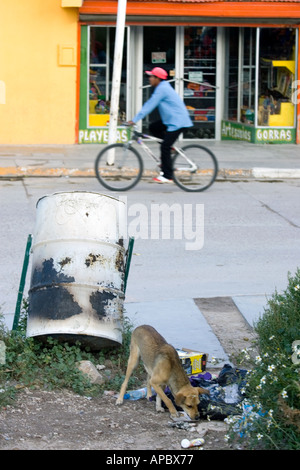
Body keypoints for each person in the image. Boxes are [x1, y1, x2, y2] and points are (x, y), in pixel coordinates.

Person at [127, 67, 193, 183]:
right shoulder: (162, 87)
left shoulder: (162, 89)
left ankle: (168, 176)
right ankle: (170, 148)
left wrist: (134, 120)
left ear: (158, 78)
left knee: (164, 147)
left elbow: (149, 105)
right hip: (171, 120)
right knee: (153, 127)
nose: (149, 79)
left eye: (151, 77)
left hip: (177, 122)